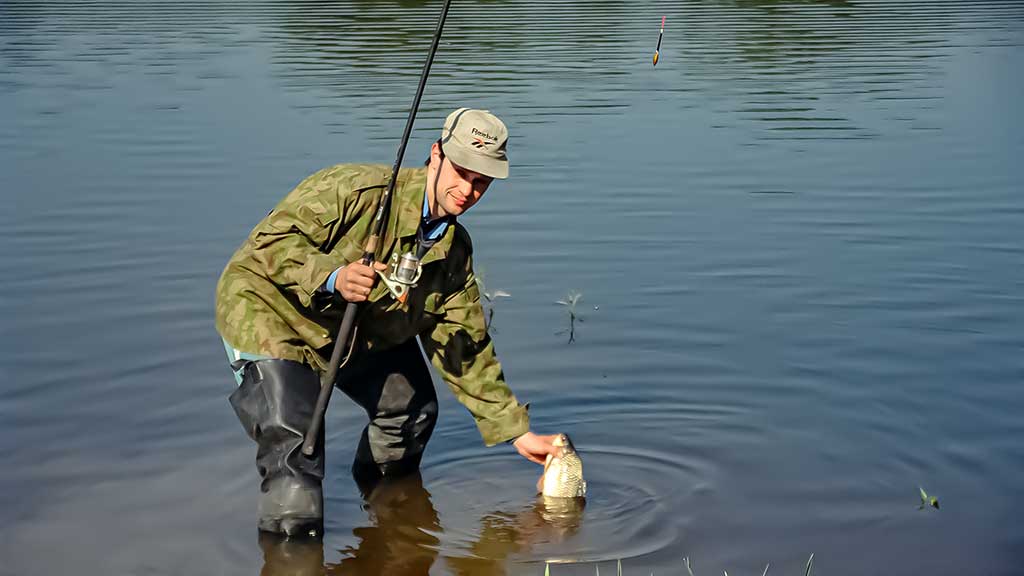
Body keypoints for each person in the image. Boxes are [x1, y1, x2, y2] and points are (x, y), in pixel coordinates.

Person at [216, 108, 561, 537]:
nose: (467, 190)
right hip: (272, 314)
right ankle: (292, 544)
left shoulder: (453, 252)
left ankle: (390, 525)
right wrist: (333, 276)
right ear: (436, 154)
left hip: (356, 327)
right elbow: (268, 246)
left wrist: (516, 433)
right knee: (296, 450)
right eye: (461, 172)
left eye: (481, 181)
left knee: (410, 413)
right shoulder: (354, 189)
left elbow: (465, 349)